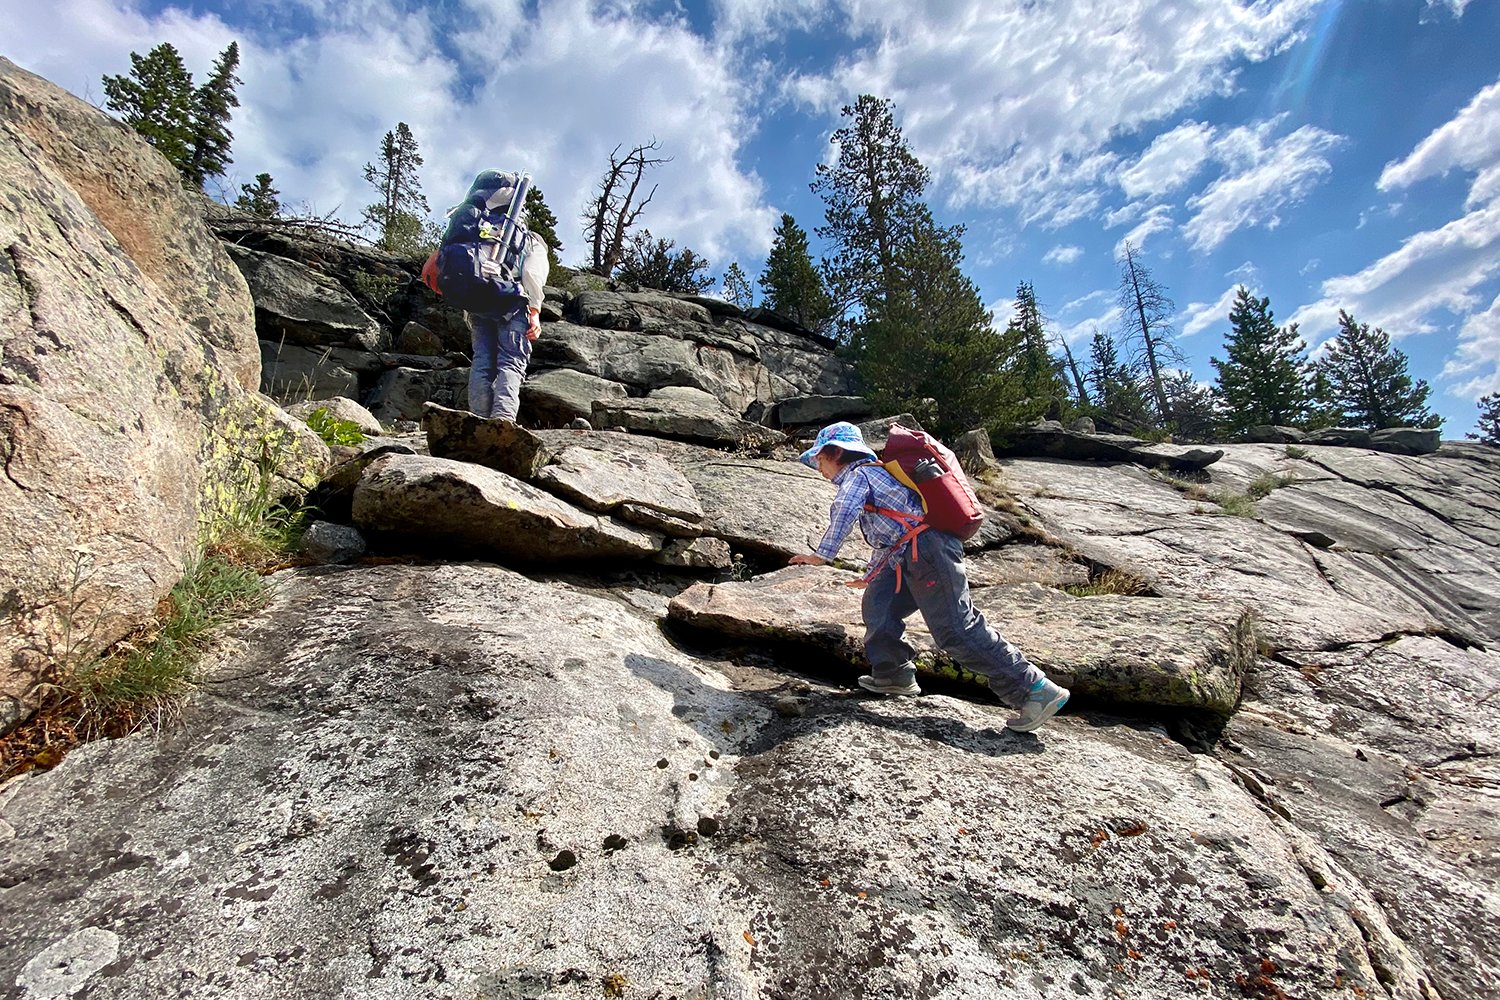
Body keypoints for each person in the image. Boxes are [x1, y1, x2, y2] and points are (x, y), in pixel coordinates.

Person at [788, 421, 1070, 733]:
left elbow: (844, 510)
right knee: (879, 604)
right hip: (907, 553)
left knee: (955, 629)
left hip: (929, 551)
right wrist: (871, 575)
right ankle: (893, 674)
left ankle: (1033, 689)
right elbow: (893, 534)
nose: (817, 466)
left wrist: (822, 555)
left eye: (819, 459)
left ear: (837, 452)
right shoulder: (875, 476)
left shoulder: (860, 474)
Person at [442, 170, 550, 422]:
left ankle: (478, 419)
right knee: (510, 363)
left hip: (478, 305)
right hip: (512, 303)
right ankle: (502, 420)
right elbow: (533, 273)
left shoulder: (477, 227)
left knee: (482, 363)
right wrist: (534, 310)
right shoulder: (527, 238)